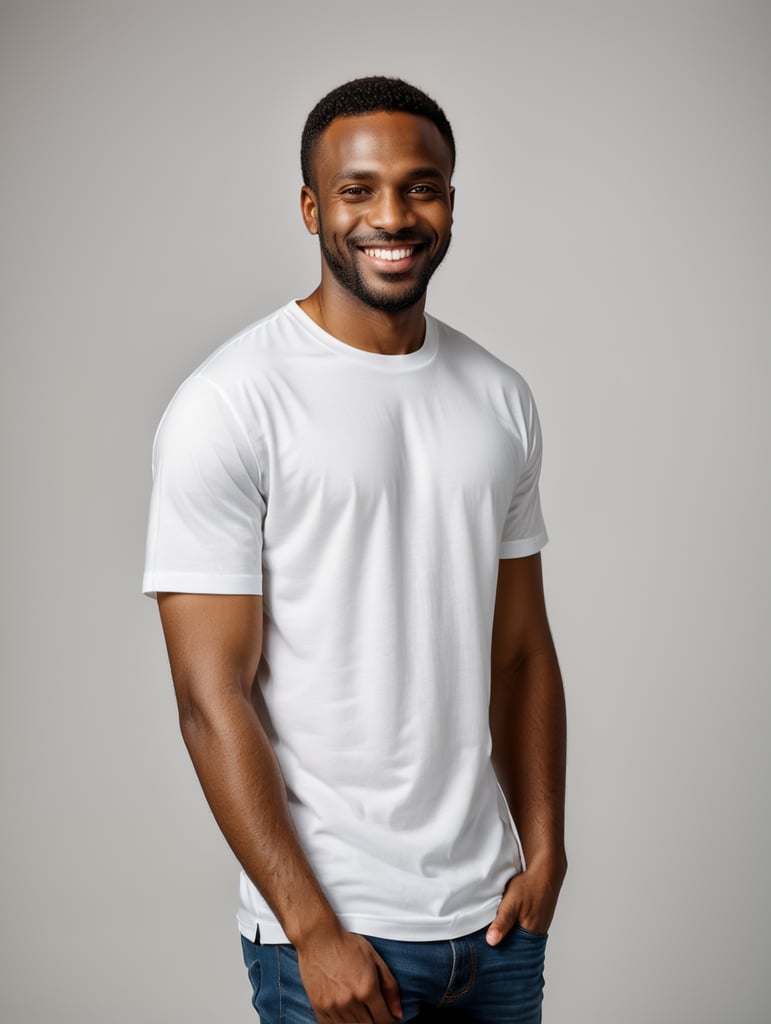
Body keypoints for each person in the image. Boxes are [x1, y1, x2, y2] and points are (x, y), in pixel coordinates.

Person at [143, 76, 567, 1024]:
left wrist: (545, 851)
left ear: (449, 203)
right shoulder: (229, 403)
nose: (391, 214)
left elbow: (522, 649)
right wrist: (312, 930)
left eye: (420, 187)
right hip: (337, 938)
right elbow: (211, 697)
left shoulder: (499, 397)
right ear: (310, 207)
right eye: (356, 189)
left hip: (494, 928)